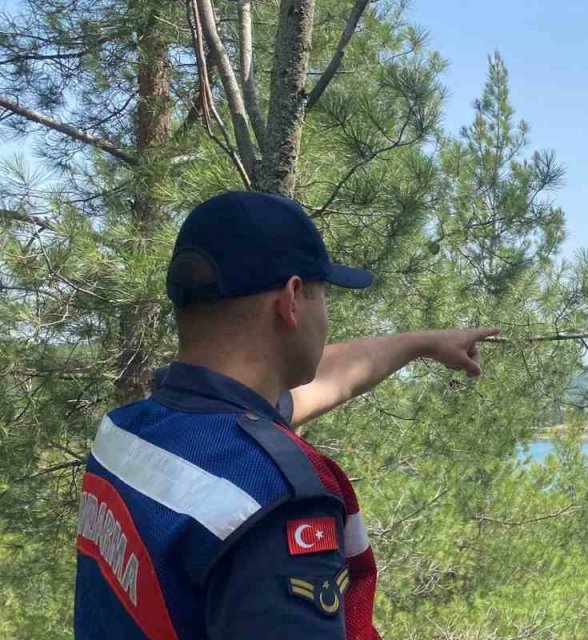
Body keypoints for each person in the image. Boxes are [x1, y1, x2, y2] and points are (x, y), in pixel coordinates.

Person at [73, 191, 498, 640]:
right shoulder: (271, 502)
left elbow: (312, 389)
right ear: (292, 299)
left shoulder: (131, 431)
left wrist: (420, 343)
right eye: (324, 296)